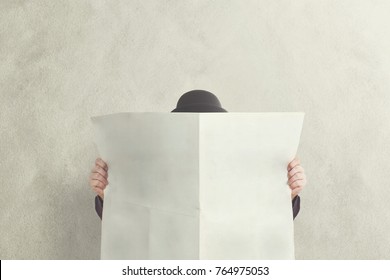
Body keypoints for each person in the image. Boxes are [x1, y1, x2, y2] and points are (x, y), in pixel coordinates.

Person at [89, 90, 307, 219]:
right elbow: (132, 226)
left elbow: (260, 226)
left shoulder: (238, 170)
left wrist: (288, 194)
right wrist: (106, 195)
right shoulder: (156, 171)